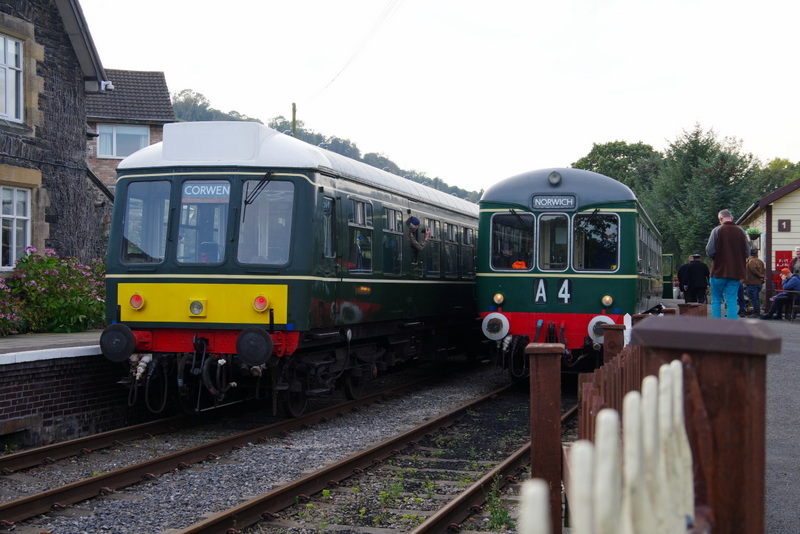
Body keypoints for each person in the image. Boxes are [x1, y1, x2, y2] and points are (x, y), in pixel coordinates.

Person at [705, 209, 750, 319]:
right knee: (732, 300)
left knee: (716, 300)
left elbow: (710, 251)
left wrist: (719, 257)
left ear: (720, 219)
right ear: (732, 218)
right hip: (736, 272)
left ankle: (718, 326)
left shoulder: (717, 230)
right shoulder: (741, 232)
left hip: (718, 271)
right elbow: (747, 252)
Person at [744, 249, 766, 317]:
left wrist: (760, 275)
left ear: (750, 255)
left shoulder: (751, 261)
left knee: (754, 298)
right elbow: (764, 270)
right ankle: (756, 311)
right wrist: (762, 277)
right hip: (758, 283)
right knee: (756, 298)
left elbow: (754, 270)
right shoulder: (760, 261)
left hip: (752, 283)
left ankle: (756, 313)